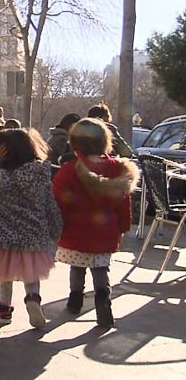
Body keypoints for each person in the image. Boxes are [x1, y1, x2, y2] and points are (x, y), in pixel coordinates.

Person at [0, 128, 62, 329]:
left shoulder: (1, 178)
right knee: (31, 273)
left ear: (4, 151)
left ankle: (3, 309)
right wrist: (56, 230)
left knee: (5, 275)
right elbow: (50, 205)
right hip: (34, 235)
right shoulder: (40, 176)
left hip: (5, 237)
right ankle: (33, 299)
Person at [52, 118, 139, 327]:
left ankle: (74, 301)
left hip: (76, 232)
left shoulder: (69, 170)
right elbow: (123, 203)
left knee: (77, 268)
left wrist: (55, 227)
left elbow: (57, 200)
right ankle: (103, 306)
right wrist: (123, 227)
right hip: (105, 232)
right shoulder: (117, 169)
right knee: (101, 270)